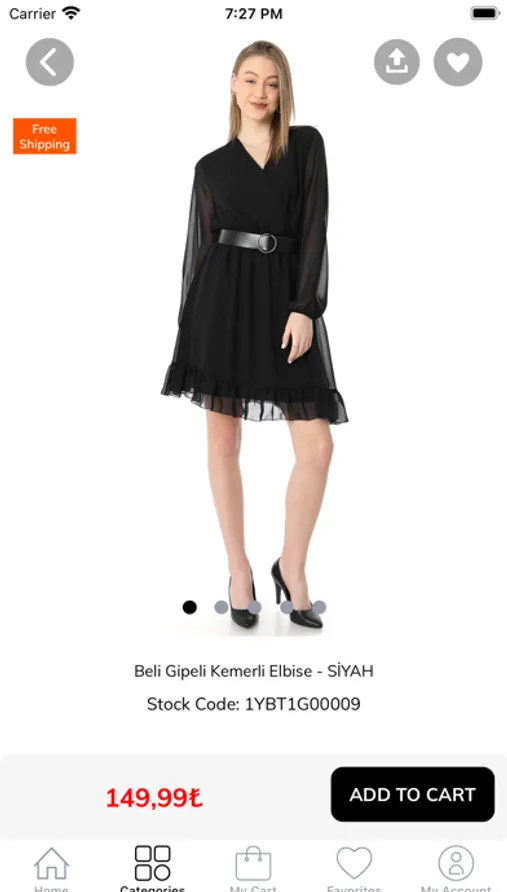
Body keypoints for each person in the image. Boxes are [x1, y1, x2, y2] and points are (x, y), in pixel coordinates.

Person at [161, 40, 348, 630]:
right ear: (233, 84)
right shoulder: (210, 167)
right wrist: (188, 329)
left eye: (271, 82)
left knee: (317, 447)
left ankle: (291, 566)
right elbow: (199, 251)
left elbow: (315, 227)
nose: (260, 92)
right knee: (223, 443)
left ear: (283, 89)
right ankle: (238, 569)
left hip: (285, 305)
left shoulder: (306, 145)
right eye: (250, 79)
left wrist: (305, 308)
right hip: (221, 305)